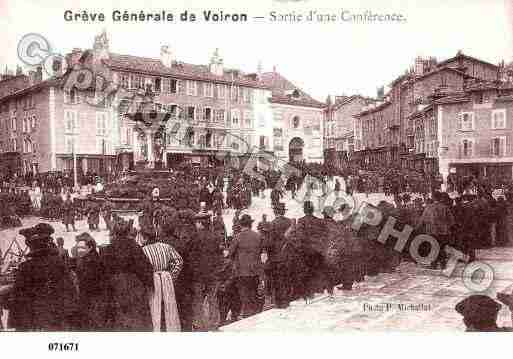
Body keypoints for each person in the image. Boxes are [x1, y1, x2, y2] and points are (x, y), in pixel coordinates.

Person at [9, 223, 78, 331]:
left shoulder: (25, 268)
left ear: (30, 246)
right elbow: (70, 290)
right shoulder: (58, 263)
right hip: (59, 318)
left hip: (37, 320)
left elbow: (18, 300)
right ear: (48, 244)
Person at [101, 216, 154, 331]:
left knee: (118, 320)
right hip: (133, 286)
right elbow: (145, 269)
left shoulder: (108, 249)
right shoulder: (135, 247)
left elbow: (103, 271)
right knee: (136, 320)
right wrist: (149, 284)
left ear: (114, 232)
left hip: (115, 287)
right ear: (128, 231)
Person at [140, 224, 183, 332]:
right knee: (168, 305)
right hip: (166, 279)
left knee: (154, 306)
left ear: (144, 237)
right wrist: (171, 276)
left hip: (152, 279)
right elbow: (179, 261)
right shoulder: (166, 247)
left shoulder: (143, 250)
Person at [189, 212, 223, 331]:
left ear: (200, 223)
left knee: (198, 299)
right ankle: (214, 323)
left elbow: (191, 256)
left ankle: (199, 324)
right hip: (212, 274)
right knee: (213, 298)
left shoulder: (195, 237)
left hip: (198, 275)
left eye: (197, 222)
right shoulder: (215, 236)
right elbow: (220, 256)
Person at [228, 214, 266, 318]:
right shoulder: (258, 236)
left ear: (241, 225)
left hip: (242, 272)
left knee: (245, 295)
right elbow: (262, 252)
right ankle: (254, 313)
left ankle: (247, 315)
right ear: (251, 224)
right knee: (254, 293)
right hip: (255, 270)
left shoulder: (237, 237)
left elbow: (230, 253)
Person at [75, 232, 106, 330]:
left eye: (82, 248)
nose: (79, 250)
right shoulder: (87, 259)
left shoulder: (91, 262)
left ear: (90, 247)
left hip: (93, 301)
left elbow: (88, 284)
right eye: (78, 247)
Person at [266, 203, 293, 307]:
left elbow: (269, 243)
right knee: (287, 279)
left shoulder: (272, 224)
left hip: (276, 258)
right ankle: (287, 300)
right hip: (288, 255)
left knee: (277, 280)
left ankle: (279, 302)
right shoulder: (290, 222)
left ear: (275, 212)